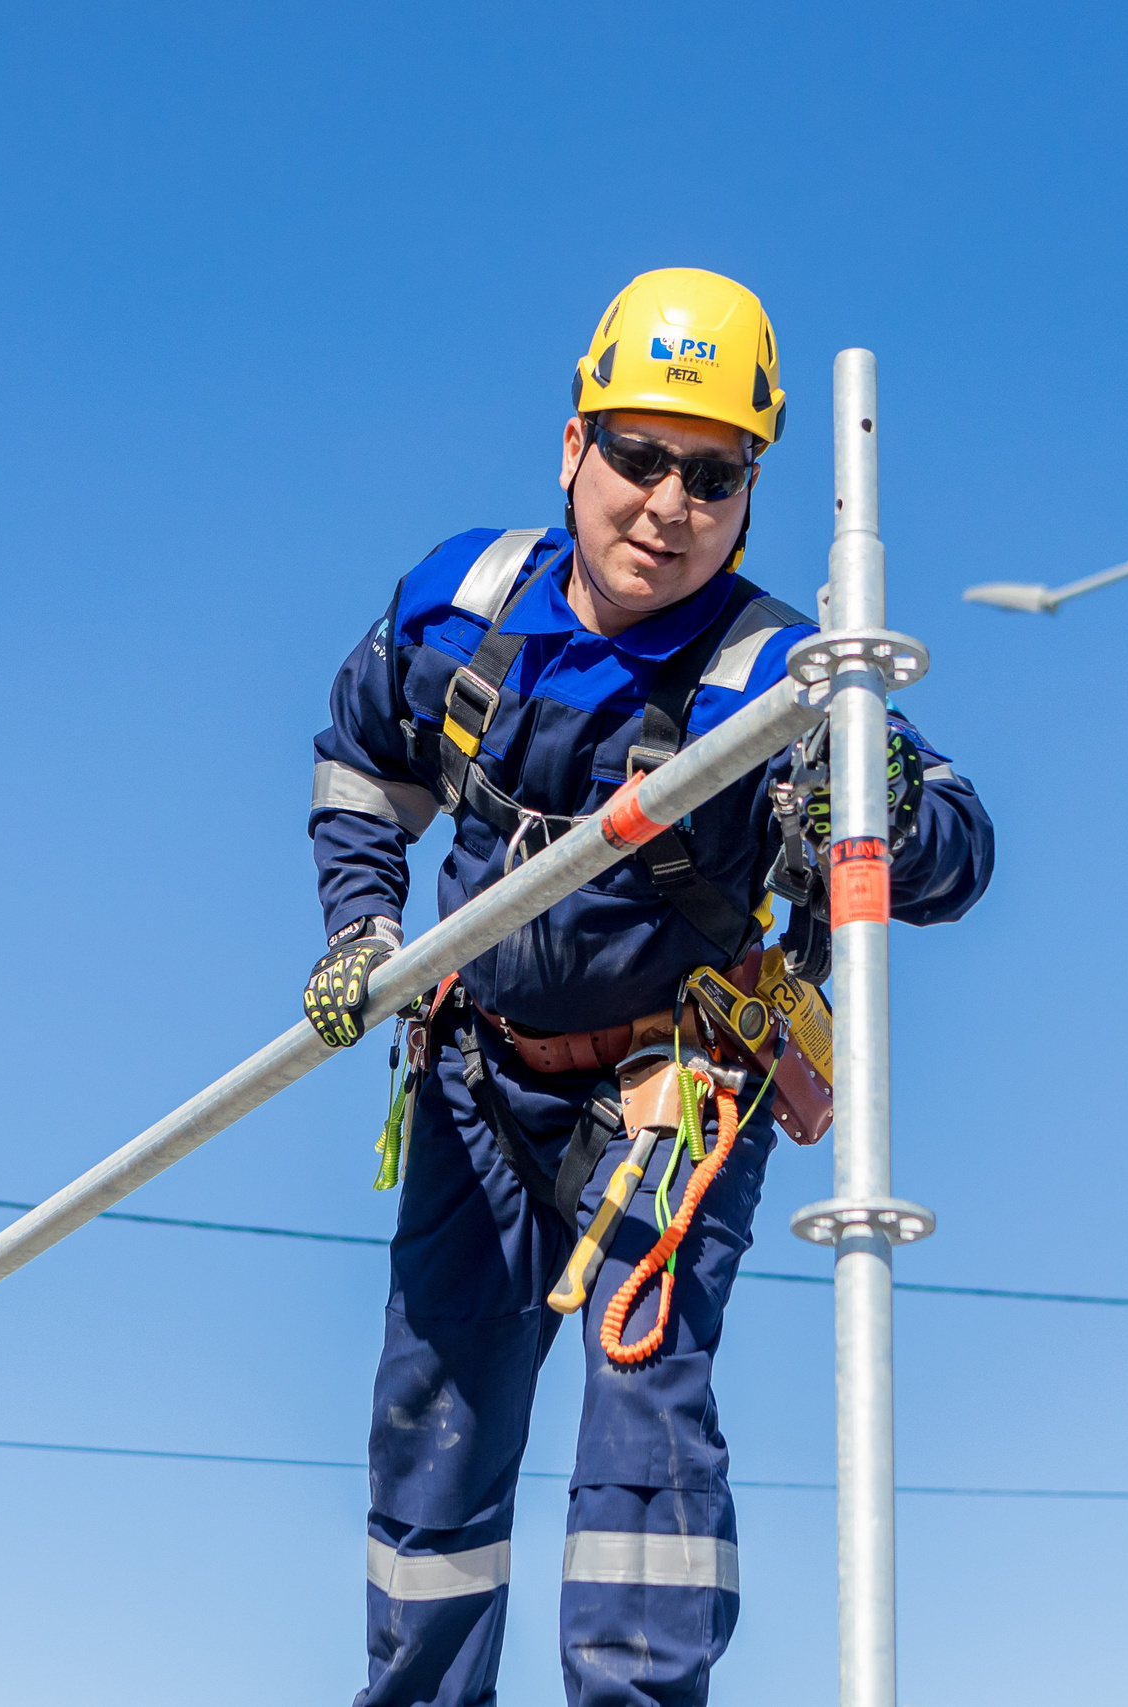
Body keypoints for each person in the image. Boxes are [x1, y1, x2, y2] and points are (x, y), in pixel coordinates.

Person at [302, 267, 994, 1707]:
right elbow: (362, 764)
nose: (664, 503)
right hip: (477, 1083)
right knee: (432, 1424)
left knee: (642, 1427)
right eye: (636, 455)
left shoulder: (783, 681)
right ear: (574, 446)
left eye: (711, 473)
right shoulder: (461, 609)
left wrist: (865, 802)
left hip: (666, 1100)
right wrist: (361, 929)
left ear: (750, 496)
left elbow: (954, 851)